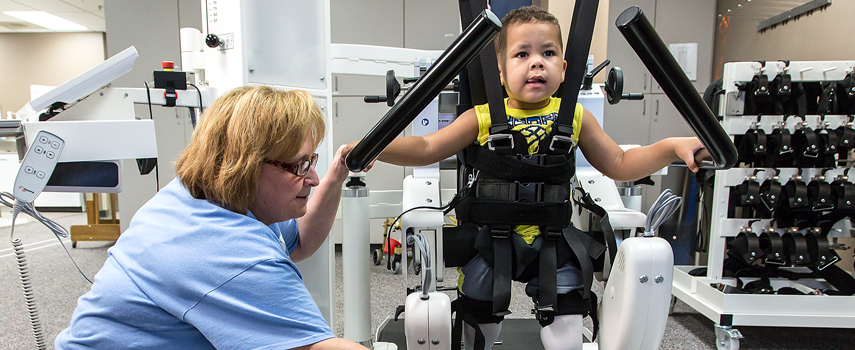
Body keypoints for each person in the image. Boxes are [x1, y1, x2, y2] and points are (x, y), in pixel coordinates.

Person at [343, 6, 709, 350]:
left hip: (554, 242)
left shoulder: (575, 117)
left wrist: (671, 146)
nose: (536, 62)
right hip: (490, 243)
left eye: (548, 54)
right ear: (500, 73)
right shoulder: (482, 117)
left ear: (564, 69)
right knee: (478, 327)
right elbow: (425, 147)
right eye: (522, 54)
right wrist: (375, 146)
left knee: (567, 328)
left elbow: (620, 162)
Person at [56, 86, 367, 350]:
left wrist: (335, 177)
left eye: (312, 162)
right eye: (299, 166)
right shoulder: (232, 254)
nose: (312, 178)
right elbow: (314, 348)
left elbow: (301, 240)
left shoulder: (192, 196)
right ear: (247, 166)